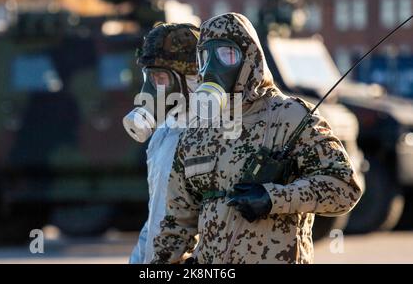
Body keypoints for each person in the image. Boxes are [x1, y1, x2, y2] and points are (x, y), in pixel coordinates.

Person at [151, 13, 363, 264]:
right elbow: (177, 220)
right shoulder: (198, 130)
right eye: (205, 57)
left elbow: (345, 187)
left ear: (250, 57)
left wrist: (274, 198)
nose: (212, 67)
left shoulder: (290, 116)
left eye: (226, 55)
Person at [125, 23, 200, 264]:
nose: (150, 89)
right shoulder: (164, 132)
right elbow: (156, 219)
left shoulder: (218, 135)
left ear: (191, 79)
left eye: (161, 77)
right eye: (149, 76)